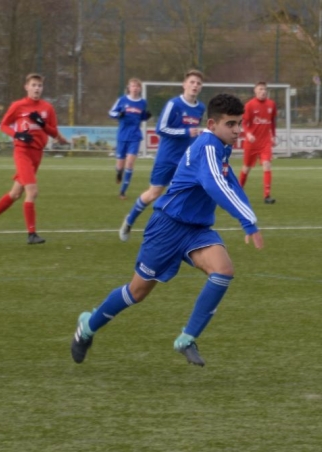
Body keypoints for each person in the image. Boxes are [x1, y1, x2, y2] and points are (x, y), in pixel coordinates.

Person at [71, 93, 263, 367]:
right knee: (137, 292)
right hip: (168, 227)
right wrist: (247, 221)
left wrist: (250, 220)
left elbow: (230, 180)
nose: (237, 130)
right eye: (231, 124)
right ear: (212, 124)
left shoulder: (220, 148)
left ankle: (187, 339)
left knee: (223, 270)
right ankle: (88, 326)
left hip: (196, 229)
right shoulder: (207, 146)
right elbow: (215, 185)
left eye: (239, 123)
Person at [0, 73, 68, 245]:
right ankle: (31, 234)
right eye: (33, 85)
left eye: (39, 86)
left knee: (15, 193)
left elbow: (53, 132)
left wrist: (42, 124)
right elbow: (3, 125)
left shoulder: (47, 108)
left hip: (37, 154)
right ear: (26, 87)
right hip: (22, 152)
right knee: (32, 191)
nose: (37, 88)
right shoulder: (18, 106)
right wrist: (17, 135)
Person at [118, 70, 205, 241]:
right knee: (154, 193)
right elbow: (161, 129)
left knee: (188, 194)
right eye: (192, 82)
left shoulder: (200, 108)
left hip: (185, 160)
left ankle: (178, 231)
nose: (195, 85)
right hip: (166, 158)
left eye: (198, 83)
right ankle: (129, 220)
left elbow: (193, 133)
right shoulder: (174, 104)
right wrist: (185, 132)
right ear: (184, 84)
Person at [108, 77, 152, 199]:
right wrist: (119, 114)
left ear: (140, 89)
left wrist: (146, 116)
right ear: (129, 88)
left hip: (135, 136)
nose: (135, 88)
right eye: (133, 86)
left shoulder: (142, 102)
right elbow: (111, 113)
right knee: (120, 165)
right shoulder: (122, 100)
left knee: (130, 162)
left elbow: (141, 117)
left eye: (137, 86)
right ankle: (119, 172)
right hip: (122, 135)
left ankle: (122, 192)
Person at [239, 81, 278, 203]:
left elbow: (272, 121)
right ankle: (238, 191)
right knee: (246, 168)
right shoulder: (249, 105)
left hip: (265, 142)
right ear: (255, 91)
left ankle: (267, 196)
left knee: (267, 165)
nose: (263, 91)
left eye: (265, 89)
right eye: (260, 89)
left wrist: (273, 136)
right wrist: (248, 134)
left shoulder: (271, 104)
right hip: (251, 143)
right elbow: (244, 122)